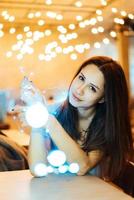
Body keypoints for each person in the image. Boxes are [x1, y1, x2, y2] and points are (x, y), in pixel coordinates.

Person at [20, 56, 133, 181]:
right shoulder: (56, 113)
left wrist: (48, 121)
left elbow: (83, 166)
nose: (79, 90)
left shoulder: (107, 127)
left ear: (103, 98)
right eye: (81, 78)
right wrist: (38, 119)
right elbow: (37, 169)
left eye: (92, 88)